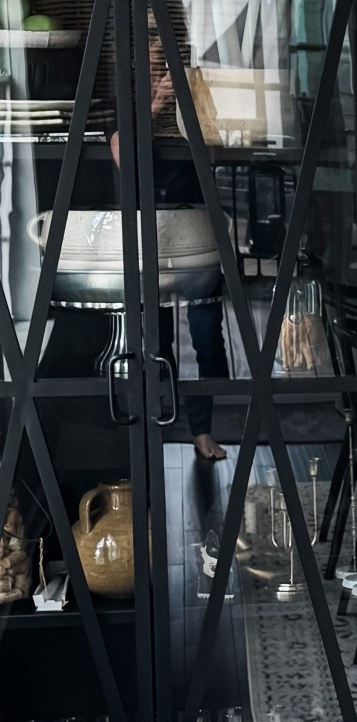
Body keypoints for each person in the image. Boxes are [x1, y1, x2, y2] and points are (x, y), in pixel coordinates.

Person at [110, 29, 230, 462]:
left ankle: (201, 430)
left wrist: (182, 100)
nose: (155, 46)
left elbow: (218, 144)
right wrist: (152, 106)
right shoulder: (127, 98)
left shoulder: (194, 89)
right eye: (149, 35)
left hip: (196, 229)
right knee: (154, 340)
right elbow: (123, 157)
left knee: (207, 338)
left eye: (162, 36)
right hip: (150, 234)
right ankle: (162, 424)